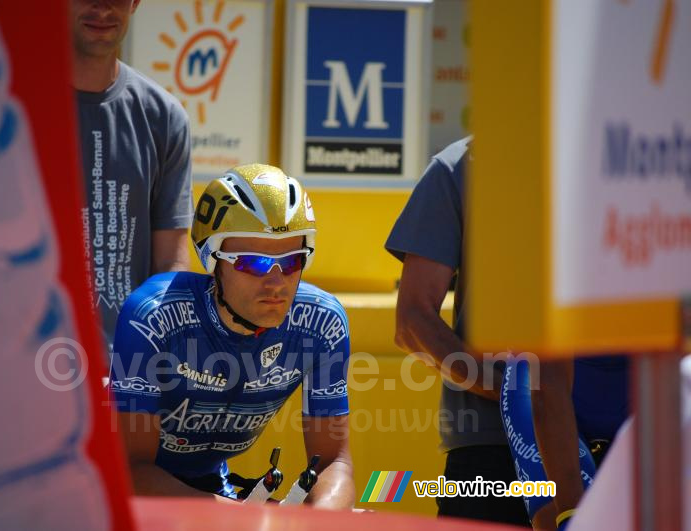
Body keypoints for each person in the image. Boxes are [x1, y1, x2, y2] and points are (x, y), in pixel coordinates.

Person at [108, 164, 355, 508]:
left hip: (212, 486)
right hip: (120, 490)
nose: (276, 282)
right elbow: (130, 472)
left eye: (292, 260)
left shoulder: (321, 323)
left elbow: (334, 463)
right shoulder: (155, 315)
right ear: (214, 260)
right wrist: (241, 519)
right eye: (253, 263)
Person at [386, 137, 530, 526]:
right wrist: (514, 394)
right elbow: (413, 323)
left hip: (627, 434)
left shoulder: (626, 157)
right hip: (492, 448)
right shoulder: (458, 166)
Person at [71, 0, 193, 350]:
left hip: (127, 377)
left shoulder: (164, 117)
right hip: (28, 369)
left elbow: (170, 261)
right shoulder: (16, 108)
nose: (102, 7)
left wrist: (158, 364)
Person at [501, 355, 629, 530]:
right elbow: (548, 385)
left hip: (637, 380)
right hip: (544, 376)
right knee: (566, 519)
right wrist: (570, 516)